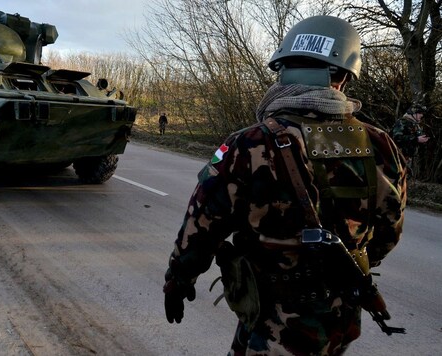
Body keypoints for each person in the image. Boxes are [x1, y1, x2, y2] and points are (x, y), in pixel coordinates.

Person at [163, 15, 407, 355]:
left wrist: (179, 278)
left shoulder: (249, 143)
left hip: (273, 321)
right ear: (344, 78)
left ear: (282, 70)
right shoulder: (381, 145)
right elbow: (388, 232)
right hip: (341, 319)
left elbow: (202, 225)